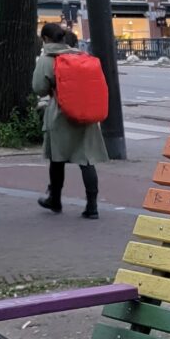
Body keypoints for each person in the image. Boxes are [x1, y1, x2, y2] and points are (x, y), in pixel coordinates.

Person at [33, 20, 107, 218]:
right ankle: (92, 207)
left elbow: (38, 87)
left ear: (46, 39)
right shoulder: (79, 55)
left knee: (57, 159)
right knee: (87, 160)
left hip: (60, 115)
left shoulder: (47, 59)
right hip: (85, 114)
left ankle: (54, 200)